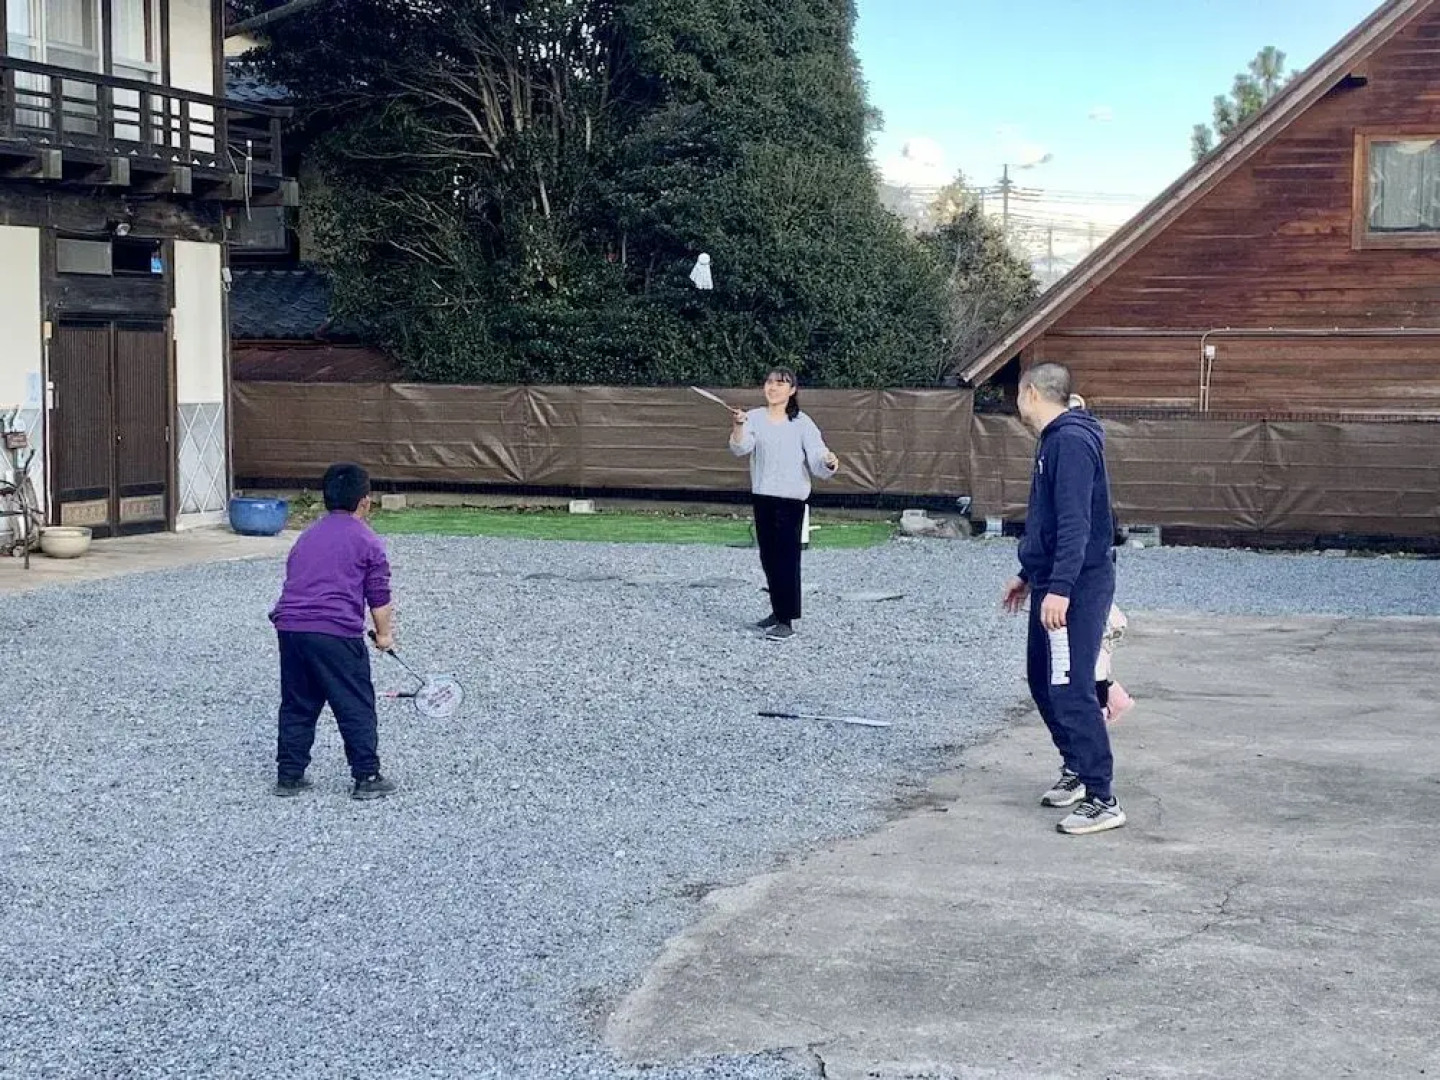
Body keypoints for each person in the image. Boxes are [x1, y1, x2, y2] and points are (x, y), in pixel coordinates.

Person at [1002, 364, 1124, 835]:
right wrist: (1028, 575)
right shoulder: (1053, 439)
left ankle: (1102, 796)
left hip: (1077, 583)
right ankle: (1075, 767)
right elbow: (1050, 523)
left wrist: (1061, 589)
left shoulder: (1070, 442)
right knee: (1041, 677)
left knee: (1069, 685)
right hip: (1051, 578)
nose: (1016, 404)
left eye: (1016, 395)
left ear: (1030, 393)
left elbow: (1077, 523)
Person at [268, 463, 398, 800]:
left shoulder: (307, 536)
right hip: (335, 631)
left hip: (291, 628)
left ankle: (289, 775)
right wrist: (384, 637)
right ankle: (367, 776)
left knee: (298, 702)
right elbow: (379, 597)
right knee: (354, 702)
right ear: (365, 502)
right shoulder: (368, 541)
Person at [729, 368, 839, 641]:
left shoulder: (802, 423)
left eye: (781, 383)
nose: (773, 387)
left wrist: (828, 461)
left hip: (791, 501)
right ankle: (777, 612)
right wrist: (739, 425)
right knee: (768, 557)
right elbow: (740, 448)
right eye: (769, 382)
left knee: (787, 560)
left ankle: (786, 621)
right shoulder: (753, 417)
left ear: (792, 391)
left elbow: (817, 455)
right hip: (763, 496)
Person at [1096, 602, 1136, 723]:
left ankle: (1100, 715)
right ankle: (1113, 702)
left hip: (1100, 620)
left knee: (1094, 672)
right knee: (1095, 671)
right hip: (1103, 617)